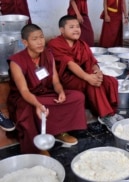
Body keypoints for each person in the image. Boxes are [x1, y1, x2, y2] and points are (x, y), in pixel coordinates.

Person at [7, 24, 87, 155]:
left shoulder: (48, 55)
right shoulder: (16, 61)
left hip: (46, 92)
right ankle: (37, 145)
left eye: (42, 37)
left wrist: (60, 91)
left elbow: (55, 81)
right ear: (25, 42)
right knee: (28, 108)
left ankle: (59, 132)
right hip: (26, 97)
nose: (40, 42)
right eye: (34, 39)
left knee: (77, 97)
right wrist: (37, 104)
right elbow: (24, 91)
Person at [47, 15, 123, 131]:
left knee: (110, 81)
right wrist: (88, 77)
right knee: (92, 84)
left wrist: (97, 72)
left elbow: (91, 61)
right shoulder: (55, 43)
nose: (76, 29)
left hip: (84, 74)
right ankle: (105, 116)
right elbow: (69, 64)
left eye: (78, 26)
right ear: (62, 30)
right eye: (71, 27)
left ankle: (111, 112)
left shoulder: (82, 44)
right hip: (67, 79)